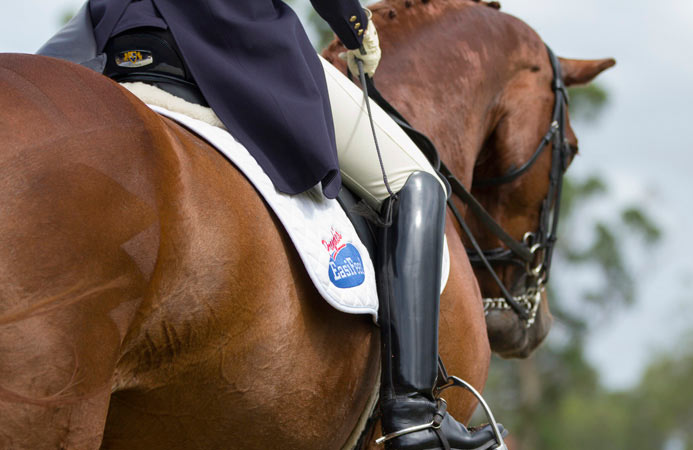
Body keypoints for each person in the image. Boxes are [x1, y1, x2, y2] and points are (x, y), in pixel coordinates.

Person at [38, 1, 502, 448]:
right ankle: (414, 413)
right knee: (415, 182)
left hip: (117, 37)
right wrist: (355, 26)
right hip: (233, 41)